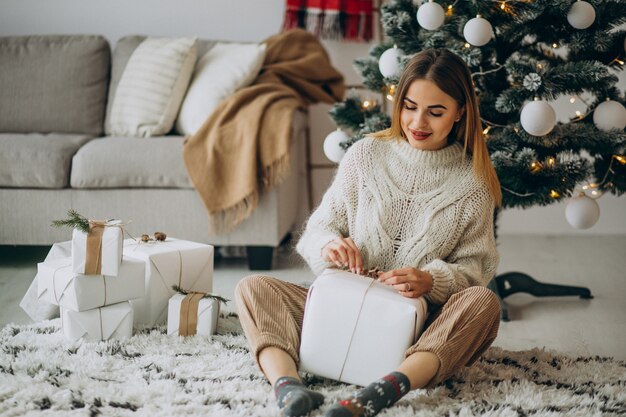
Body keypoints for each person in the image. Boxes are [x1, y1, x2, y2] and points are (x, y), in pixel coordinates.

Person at [235, 48, 503, 417]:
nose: (417, 121)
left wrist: (431, 280)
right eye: (409, 106)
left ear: (460, 112)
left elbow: (475, 268)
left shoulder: (474, 183)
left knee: (484, 304)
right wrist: (331, 246)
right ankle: (288, 388)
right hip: (340, 308)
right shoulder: (365, 155)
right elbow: (318, 230)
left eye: (436, 111)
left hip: (416, 329)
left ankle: (381, 392)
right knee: (253, 288)